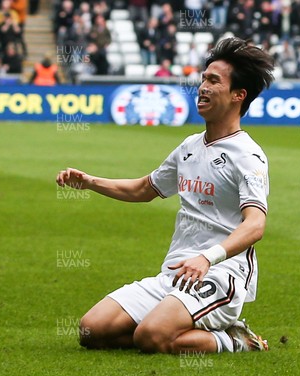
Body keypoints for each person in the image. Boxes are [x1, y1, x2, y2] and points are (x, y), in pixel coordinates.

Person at [55, 37, 274, 354]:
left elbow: (255, 225)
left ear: (239, 95)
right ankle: (169, 328)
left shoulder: (248, 156)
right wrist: (90, 181)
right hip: (175, 274)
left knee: (151, 337)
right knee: (92, 331)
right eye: (203, 79)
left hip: (221, 274)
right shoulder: (189, 147)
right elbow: (145, 189)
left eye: (214, 81)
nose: (203, 87)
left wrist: (207, 257)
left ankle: (237, 340)